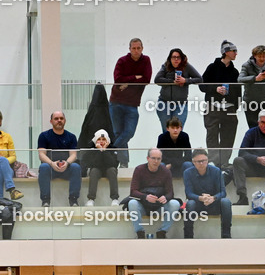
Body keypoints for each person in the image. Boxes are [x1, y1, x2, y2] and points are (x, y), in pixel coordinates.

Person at [110, 38, 152, 168]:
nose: (136, 50)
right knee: (118, 133)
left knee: (128, 133)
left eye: (138, 48)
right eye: (134, 48)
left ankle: (110, 151)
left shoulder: (146, 60)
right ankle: (123, 163)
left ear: (142, 48)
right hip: (116, 101)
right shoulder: (122, 61)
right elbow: (118, 79)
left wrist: (127, 82)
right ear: (129, 49)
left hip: (132, 104)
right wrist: (135, 77)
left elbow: (146, 79)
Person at [199, 40, 241, 169]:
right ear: (226, 52)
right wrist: (215, 89)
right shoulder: (212, 68)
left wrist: (234, 107)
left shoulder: (235, 72)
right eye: (234, 51)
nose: (236, 53)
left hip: (229, 109)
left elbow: (238, 92)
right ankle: (214, 163)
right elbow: (202, 85)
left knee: (228, 136)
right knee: (212, 135)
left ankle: (224, 163)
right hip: (213, 107)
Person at [127, 148, 181, 239]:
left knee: (175, 204)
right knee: (132, 203)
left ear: (161, 159)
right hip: (143, 205)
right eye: (153, 158)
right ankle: (140, 233)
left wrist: (165, 197)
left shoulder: (166, 171)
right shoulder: (139, 169)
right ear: (148, 158)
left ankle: (162, 232)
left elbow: (170, 193)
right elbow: (133, 191)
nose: (156, 161)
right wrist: (145, 197)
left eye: (158, 159)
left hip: (159, 206)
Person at [183, 149, 232, 239]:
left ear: (207, 160)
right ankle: (188, 236)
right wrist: (201, 198)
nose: (202, 163)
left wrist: (213, 198)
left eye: (204, 161)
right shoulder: (187, 173)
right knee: (190, 203)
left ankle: (226, 235)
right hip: (198, 205)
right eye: (199, 161)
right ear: (193, 162)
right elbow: (189, 194)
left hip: (213, 204)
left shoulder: (216, 171)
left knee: (226, 202)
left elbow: (223, 192)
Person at [37, 111, 81, 207]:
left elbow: (73, 155)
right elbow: (41, 155)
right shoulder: (43, 136)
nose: (59, 120)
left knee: (76, 167)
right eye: (56, 119)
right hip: (50, 169)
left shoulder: (71, 137)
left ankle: (73, 200)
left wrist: (67, 163)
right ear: (51, 121)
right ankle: (45, 200)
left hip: (66, 169)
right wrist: (51, 163)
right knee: (44, 167)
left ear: (65, 121)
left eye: (61, 118)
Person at [153, 47, 202, 130]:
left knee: (178, 131)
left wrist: (185, 80)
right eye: (173, 57)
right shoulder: (165, 66)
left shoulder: (186, 66)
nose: (176, 59)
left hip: (181, 104)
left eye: (178, 57)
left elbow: (199, 79)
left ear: (181, 58)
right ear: (170, 59)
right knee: (166, 131)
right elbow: (157, 80)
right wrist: (172, 81)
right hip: (164, 103)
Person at [237, 45, 265, 129]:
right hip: (250, 101)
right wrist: (255, 78)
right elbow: (240, 79)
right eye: (259, 56)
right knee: (253, 127)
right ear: (254, 56)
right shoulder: (247, 65)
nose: (262, 58)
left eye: (264, 56)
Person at [83, 129, 119, 206]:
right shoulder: (91, 149)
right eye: (99, 139)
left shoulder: (113, 148)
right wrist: (100, 151)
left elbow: (113, 164)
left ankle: (115, 199)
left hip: (109, 170)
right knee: (94, 171)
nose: (101, 141)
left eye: (104, 139)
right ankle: (91, 199)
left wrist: (104, 150)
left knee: (112, 170)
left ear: (107, 140)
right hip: (97, 170)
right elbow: (93, 164)